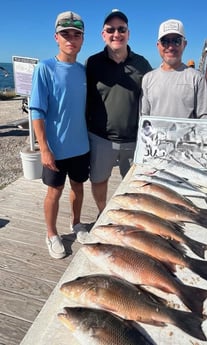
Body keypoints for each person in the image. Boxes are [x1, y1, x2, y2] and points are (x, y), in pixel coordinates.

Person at [29, 11, 90, 259]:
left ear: (82, 40)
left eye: (76, 35)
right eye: (66, 34)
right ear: (56, 37)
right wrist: (44, 147)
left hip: (81, 146)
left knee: (78, 186)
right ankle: (51, 234)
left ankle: (76, 224)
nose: (71, 39)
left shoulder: (84, 71)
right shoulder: (45, 67)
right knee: (54, 192)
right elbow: (37, 111)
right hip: (55, 147)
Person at [86, 9, 152, 214]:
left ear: (128, 33)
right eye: (111, 29)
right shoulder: (92, 63)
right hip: (100, 139)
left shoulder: (143, 64)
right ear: (103, 34)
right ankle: (103, 213)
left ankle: (131, 217)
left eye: (121, 29)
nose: (116, 34)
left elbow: (153, 100)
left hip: (134, 140)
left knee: (135, 185)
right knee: (98, 180)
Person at [140, 19, 207, 119]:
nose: (171, 47)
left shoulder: (197, 78)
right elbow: (144, 118)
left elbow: (204, 118)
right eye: (165, 42)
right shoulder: (147, 79)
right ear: (158, 46)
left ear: (184, 44)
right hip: (156, 135)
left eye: (176, 41)